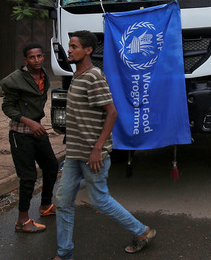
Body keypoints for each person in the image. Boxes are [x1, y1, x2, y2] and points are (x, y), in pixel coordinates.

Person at [52, 30, 155, 260]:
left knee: (100, 200)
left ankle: (141, 232)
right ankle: (64, 252)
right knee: (62, 201)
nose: (69, 50)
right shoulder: (77, 76)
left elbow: (112, 113)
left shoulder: (93, 76)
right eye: (69, 46)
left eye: (74, 46)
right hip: (75, 154)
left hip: (92, 154)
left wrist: (98, 148)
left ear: (87, 50)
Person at [1, 43, 59, 233]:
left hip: (38, 131)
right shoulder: (13, 80)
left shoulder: (43, 75)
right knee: (28, 177)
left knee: (51, 166)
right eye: (32, 58)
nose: (37, 60)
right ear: (25, 60)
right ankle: (22, 220)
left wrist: (37, 124)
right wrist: (29, 122)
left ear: (43, 57)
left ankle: (45, 206)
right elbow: (7, 108)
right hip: (20, 133)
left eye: (39, 56)